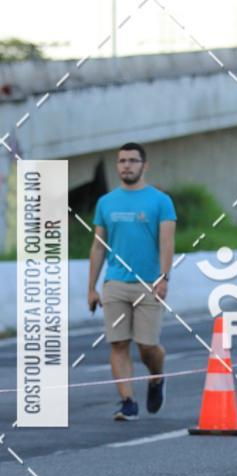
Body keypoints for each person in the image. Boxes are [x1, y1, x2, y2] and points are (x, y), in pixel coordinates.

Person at [88, 142, 176, 420]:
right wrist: (91, 287)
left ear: (144, 165)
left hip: (149, 283)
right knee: (118, 343)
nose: (126, 165)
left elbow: (166, 242)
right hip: (114, 283)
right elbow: (99, 246)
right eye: (122, 161)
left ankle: (157, 377)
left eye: (132, 160)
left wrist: (164, 278)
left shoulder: (160, 201)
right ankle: (127, 402)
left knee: (147, 347)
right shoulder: (106, 202)